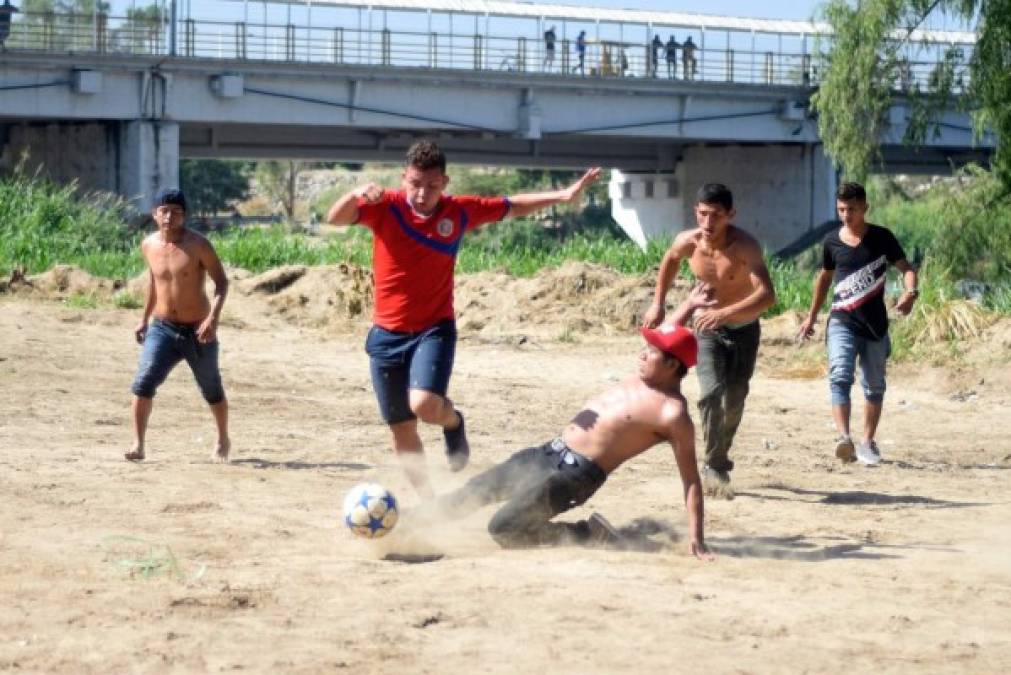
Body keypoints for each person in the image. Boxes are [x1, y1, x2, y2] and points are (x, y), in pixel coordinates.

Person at [326, 141, 601, 496]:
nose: (422, 193)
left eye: (432, 186)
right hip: (386, 335)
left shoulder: (459, 212)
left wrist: (563, 196)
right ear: (403, 178)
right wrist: (355, 193)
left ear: (445, 182)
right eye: (414, 183)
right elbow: (336, 218)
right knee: (401, 428)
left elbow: (511, 205)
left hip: (433, 330)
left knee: (424, 404)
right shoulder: (385, 207)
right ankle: (429, 504)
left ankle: (453, 422)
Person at [420, 321, 711, 559]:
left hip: (574, 476)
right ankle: (410, 523)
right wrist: (691, 305)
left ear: (673, 366)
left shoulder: (672, 414)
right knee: (476, 490)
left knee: (503, 529)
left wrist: (696, 537)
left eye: (652, 352)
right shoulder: (643, 378)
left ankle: (586, 534)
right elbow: (677, 335)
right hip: (548, 451)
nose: (643, 355)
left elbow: (691, 480)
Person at [642, 184, 776, 499]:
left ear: (730, 215)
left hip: (744, 329)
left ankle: (719, 453)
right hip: (706, 329)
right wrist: (658, 302)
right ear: (696, 212)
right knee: (710, 394)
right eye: (703, 214)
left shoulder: (745, 246)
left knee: (735, 398)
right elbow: (670, 260)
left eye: (716, 215)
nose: (708, 222)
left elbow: (767, 295)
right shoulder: (687, 242)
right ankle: (715, 466)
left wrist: (727, 312)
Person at [796, 182, 918, 466]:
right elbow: (824, 279)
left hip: (875, 324)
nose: (846, 215)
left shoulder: (881, 237)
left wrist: (910, 293)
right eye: (841, 209)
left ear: (865, 208)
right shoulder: (831, 241)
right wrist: (812, 317)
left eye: (852, 209)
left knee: (874, 386)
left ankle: (867, 442)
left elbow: (906, 269)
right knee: (839, 375)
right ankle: (844, 438)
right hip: (842, 320)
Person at [127, 188, 231, 463]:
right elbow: (154, 283)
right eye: (164, 211)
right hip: (162, 327)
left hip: (198, 329)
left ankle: (222, 438)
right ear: (154, 214)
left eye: (176, 212)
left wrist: (212, 319)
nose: (169, 217)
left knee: (211, 387)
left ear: (184, 216)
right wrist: (143, 318)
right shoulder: (148, 245)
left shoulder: (198, 245)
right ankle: (138, 445)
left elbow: (221, 282)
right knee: (143, 381)